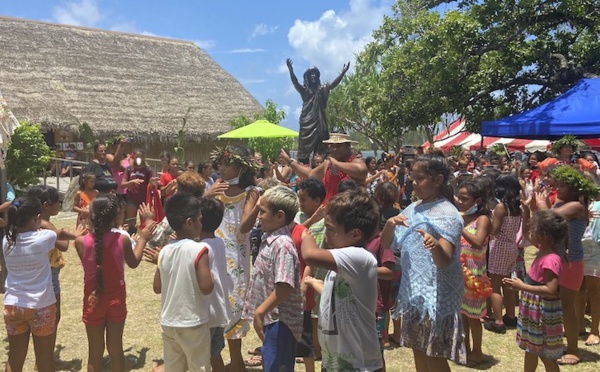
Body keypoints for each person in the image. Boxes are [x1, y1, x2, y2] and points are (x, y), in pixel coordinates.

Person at [381, 154, 466, 370]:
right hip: (414, 292)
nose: (413, 182)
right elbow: (387, 245)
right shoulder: (413, 208)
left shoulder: (449, 214)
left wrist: (434, 245)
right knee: (418, 349)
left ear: (437, 180)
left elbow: (445, 260)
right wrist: (390, 225)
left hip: (435, 294)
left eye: (419, 178)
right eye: (412, 177)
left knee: (433, 354)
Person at [302, 189, 383, 371]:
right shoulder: (342, 262)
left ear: (355, 234)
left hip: (358, 364)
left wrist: (304, 231)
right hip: (334, 362)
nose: (325, 235)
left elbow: (309, 255)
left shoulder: (359, 257)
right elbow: (338, 293)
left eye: (330, 229)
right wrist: (316, 283)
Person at [74, 194, 155, 372]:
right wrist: (142, 238)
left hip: (92, 299)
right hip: (116, 300)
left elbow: (91, 264)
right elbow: (133, 262)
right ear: (116, 217)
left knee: (94, 353)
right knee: (116, 349)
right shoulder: (122, 239)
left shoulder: (80, 242)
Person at [3, 197, 83, 372]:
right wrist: (75, 233)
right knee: (44, 359)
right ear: (37, 218)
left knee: (15, 358)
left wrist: (16, 205)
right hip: (41, 306)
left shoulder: (7, 242)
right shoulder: (43, 238)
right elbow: (60, 236)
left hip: (13, 306)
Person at [533, 165, 600, 365]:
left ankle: (573, 350)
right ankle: (559, 342)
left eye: (562, 186)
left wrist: (541, 203)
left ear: (575, 189)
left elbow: (547, 218)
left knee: (567, 306)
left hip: (571, 262)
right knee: (557, 305)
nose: (558, 189)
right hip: (560, 260)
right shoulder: (564, 203)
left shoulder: (577, 206)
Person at [242, 185, 303, 372]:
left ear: (279, 216)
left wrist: (260, 312)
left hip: (281, 322)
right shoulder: (270, 239)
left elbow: (284, 286)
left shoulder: (282, 245)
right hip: (272, 320)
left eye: (262, 212)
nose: (258, 217)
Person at [211, 146, 260, 372]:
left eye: (225, 163)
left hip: (236, 257)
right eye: (219, 163)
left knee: (234, 303)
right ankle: (217, 358)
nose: (220, 167)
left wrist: (256, 204)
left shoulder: (250, 192)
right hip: (214, 252)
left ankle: (236, 361)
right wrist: (207, 195)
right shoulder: (215, 188)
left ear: (240, 166)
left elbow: (243, 227)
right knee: (215, 301)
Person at [152, 193, 214, 371]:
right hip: (193, 321)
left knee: (174, 367)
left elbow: (157, 287)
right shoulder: (199, 249)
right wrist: (213, 277)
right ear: (189, 222)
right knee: (199, 366)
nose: (201, 224)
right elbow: (206, 287)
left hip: (169, 322)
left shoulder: (164, 251)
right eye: (199, 220)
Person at [503, 210, 566, 372]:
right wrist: (524, 210)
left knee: (545, 354)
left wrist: (522, 286)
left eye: (534, 229)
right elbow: (524, 232)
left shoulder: (551, 259)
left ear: (544, 235)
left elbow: (551, 289)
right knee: (530, 348)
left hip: (542, 313)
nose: (530, 232)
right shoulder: (542, 247)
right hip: (533, 311)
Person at [26, 185, 71, 368]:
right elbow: (63, 245)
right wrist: (67, 232)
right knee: (52, 317)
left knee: (46, 318)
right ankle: (46, 360)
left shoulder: (30, 222)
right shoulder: (45, 224)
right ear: (46, 205)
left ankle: (46, 357)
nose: (59, 205)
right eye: (57, 202)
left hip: (41, 272)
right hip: (49, 274)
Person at [456, 181, 492, 367]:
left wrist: (459, 226)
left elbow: (478, 242)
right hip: (459, 273)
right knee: (462, 314)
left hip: (474, 275)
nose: (460, 202)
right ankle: (465, 348)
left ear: (477, 200)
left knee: (473, 316)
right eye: (459, 198)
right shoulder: (462, 217)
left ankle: (477, 351)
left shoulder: (482, 219)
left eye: (465, 199)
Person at [286, 58, 350, 161]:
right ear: (307, 77)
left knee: (322, 148)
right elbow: (295, 83)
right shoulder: (304, 91)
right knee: (303, 151)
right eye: (311, 74)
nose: (313, 76)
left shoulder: (322, 89)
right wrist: (291, 70)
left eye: (315, 74)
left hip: (320, 122)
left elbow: (333, 85)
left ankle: (321, 168)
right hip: (307, 124)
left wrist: (343, 73)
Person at [281, 132, 368, 203]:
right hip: (329, 212)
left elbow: (362, 171)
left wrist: (337, 164)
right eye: (332, 146)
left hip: (351, 212)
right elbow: (310, 174)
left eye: (338, 146)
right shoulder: (327, 164)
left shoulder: (355, 161)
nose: (334, 149)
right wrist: (290, 161)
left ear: (348, 146)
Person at [485, 174, 522, 334]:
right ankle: (511, 316)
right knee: (508, 282)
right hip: (511, 246)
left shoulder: (501, 208)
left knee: (495, 285)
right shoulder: (517, 207)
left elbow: (495, 230)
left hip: (499, 246)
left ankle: (498, 321)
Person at [199, 197, 233, 372]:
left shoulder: (199, 248)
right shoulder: (219, 242)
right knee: (215, 354)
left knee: (201, 357)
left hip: (205, 313)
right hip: (219, 311)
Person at [121, 149, 154, 226]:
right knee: (130, 222)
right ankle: (131, 236)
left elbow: (151, 186)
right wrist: (132, 182)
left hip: (144, 199)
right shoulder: (129, 169)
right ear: (134, 157)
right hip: (131, 199)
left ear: (143, 157)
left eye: (140, 156)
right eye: (137, 156)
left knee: (144, 222)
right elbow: (122, 184)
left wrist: (153, 184)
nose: (139, 158)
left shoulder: (147, 170)